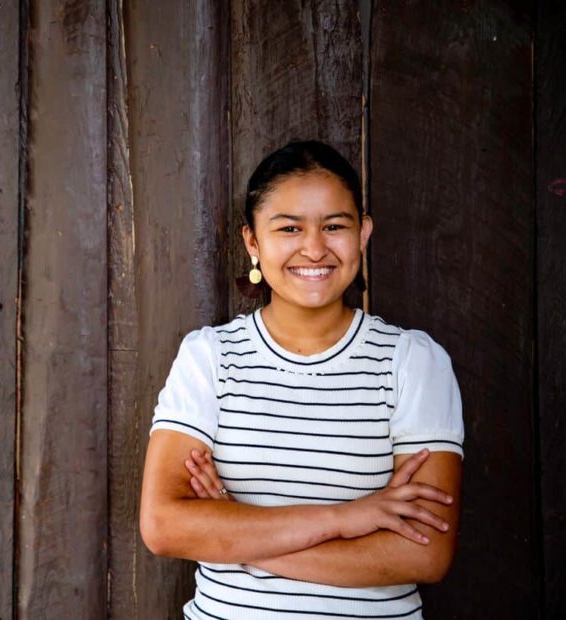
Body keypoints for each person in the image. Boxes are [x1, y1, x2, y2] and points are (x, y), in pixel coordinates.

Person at [139, 140, 464, 619]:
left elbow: (423, 554)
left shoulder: (412, 363)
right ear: (253, 242)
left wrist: (238, 538)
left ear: (363, 234)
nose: (314, 248)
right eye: (289, 228)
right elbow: (165, 526)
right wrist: (348, 518)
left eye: (335, 226)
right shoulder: (210, 358)